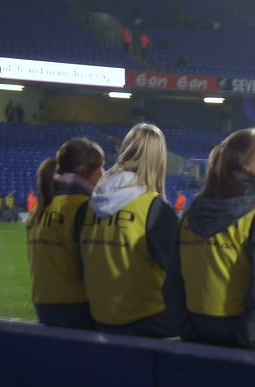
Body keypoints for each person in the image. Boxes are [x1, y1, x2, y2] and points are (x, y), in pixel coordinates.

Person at [163, 128, 255, 352]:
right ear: (246, 164)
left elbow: (173, 284)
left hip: (198, 330)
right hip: (243, 335)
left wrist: (189, 330)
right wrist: (247, 341)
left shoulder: (191, 215)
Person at [79, 122, 179, 338]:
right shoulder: (154, 207)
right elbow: (179, 272)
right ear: (158, 159)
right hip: (144, 318)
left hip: (100, 314)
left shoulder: (92, 202)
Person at [26, 137, 105, 328]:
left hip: (43, 306)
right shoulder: (83, 207)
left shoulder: (39, 207)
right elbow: (94, 268)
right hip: (78, 310)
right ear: (86, 170)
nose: (104, 174)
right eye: (101, 168)